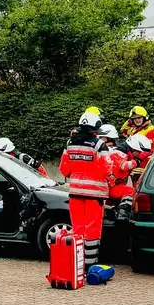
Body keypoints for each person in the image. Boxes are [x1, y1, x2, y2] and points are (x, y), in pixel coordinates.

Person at [59, 111, 111, 266]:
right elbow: (106, 169)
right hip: (94, 195)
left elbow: (64, 169)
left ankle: (77, 266)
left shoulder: (70, 143)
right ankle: (90, 265)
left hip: (75, 193)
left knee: (77, 229)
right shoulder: (99, 145)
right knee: (92, 230)